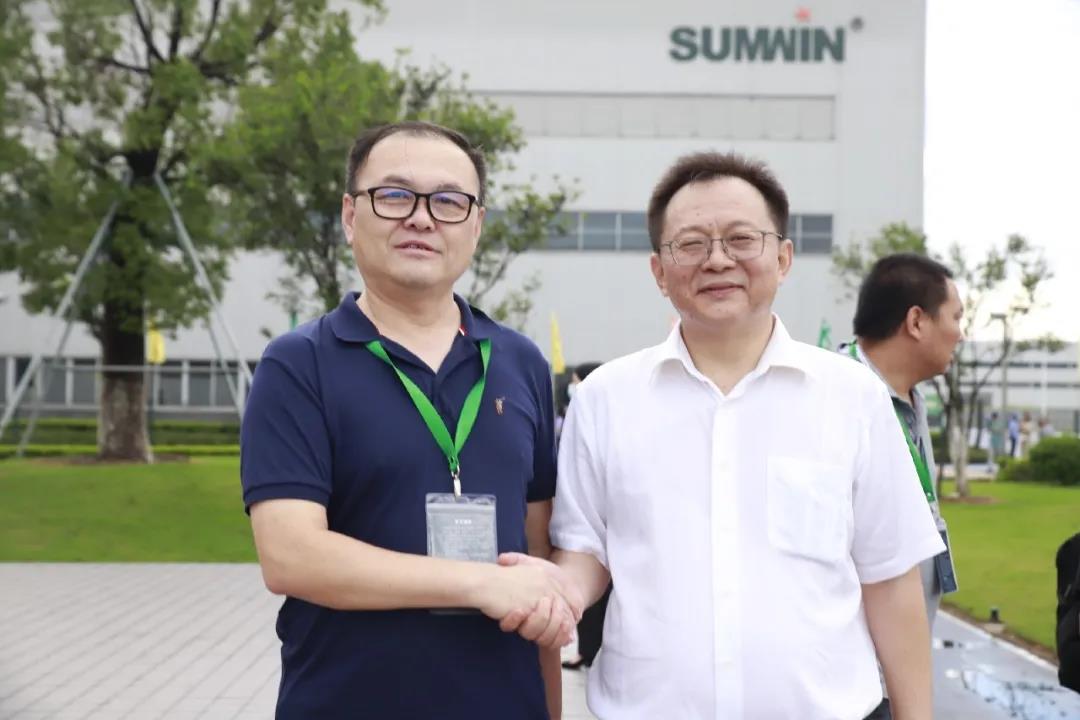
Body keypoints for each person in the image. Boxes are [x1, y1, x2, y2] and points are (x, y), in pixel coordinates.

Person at [504, 151, 945, 719]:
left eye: (741, 239)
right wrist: (556, 590)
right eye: (690, 244)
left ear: (783, 258)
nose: (717, 260)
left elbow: (891, 580)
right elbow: (585, 549)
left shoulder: (853, 396)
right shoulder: (605, 398)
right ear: (659, 271)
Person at [240, 121, 581, 719]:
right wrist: (477, 582)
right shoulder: (298, 364)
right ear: (351, 216)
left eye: (448, 201)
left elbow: (538, 569)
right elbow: (291, 556)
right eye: (395, 196)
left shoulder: (519, 362)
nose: (422, 218)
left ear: (476, 225)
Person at [843, 252, 965, 719]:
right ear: (916, 321)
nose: (960, 333)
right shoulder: (835, 399)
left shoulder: (909, 399)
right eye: (956, 317)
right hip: (846, 687)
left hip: (893, 675)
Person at [558, 362, 612, 672]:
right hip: (589, 556)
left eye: (577, 381)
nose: (573, 386)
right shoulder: (593, 404)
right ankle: (586, 651)